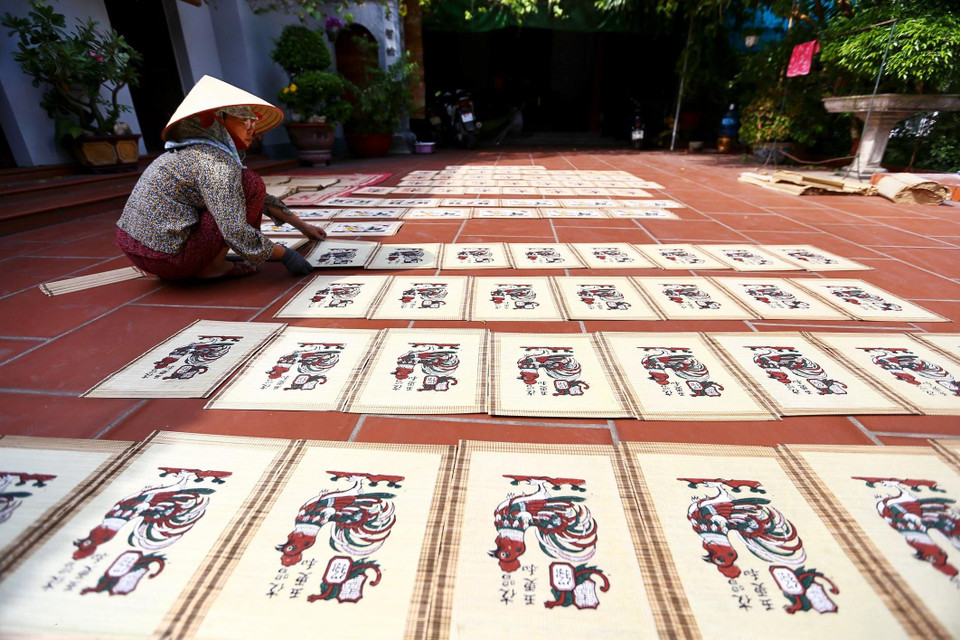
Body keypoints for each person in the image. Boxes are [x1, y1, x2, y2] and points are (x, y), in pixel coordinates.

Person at [116, 75, 323, 280]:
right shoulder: (217, 164)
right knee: (249, 184)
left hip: (137, 250)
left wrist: (304, 227)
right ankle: (214, 268)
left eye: (254, 121)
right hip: (166, 258)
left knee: (243, 187)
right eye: (244, 121)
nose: (252, 129)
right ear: (214, 121)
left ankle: (200, 264)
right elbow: (234, 230)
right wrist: (285, 255)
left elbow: (259, 200)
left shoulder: (192, 152)